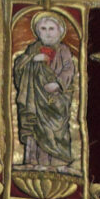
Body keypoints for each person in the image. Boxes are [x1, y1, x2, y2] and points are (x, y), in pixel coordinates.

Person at [13, 12, 77, 171]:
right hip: (34, 99)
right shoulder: (33, 48)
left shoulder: (63, 50)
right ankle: (33, 161)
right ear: (37, 31)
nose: (47, 33)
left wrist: (58, 83)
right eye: (43, 28)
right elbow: (19, 67)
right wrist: (33, 59)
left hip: (55, 100)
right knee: (35, 128)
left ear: (59, 31)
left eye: (51, 28)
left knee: (55, 130)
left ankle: (57, 163)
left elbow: (69, 70)